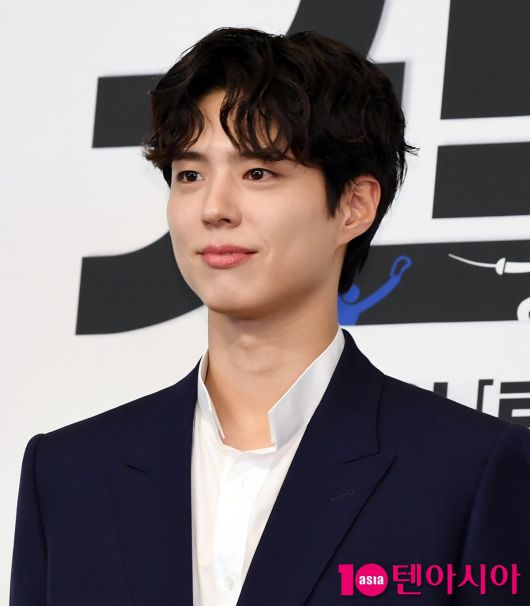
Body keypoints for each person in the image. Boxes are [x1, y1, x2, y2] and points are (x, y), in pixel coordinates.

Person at [9, 27, 530, 606]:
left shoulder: (470, 470)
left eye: (258, 173)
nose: (214, 208)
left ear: (355, 205)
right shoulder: (68, 474)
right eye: (190, 174)